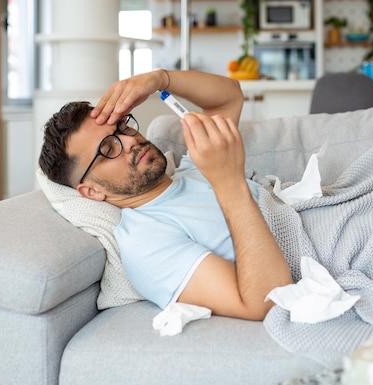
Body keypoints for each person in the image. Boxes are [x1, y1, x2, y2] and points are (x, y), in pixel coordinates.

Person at [39, 69, 293, 321]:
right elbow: (267, 301)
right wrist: (230, 182)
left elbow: (229, 97)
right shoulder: (145, 240)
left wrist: (159, 79)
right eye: (108, 149)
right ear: (93, 191)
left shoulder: (199, 165)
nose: (130, 142)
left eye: (122, 127)